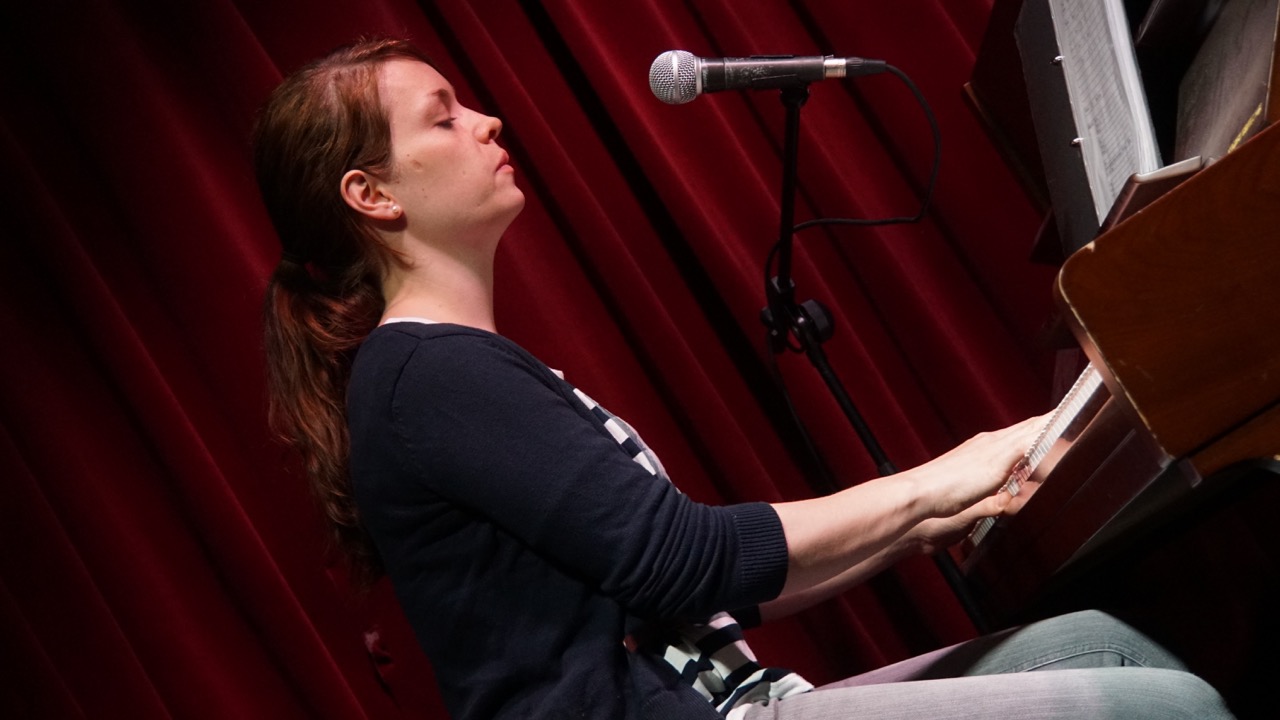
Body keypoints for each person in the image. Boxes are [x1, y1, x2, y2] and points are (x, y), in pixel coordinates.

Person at [255, 38, 1234, 720]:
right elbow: (688, 559)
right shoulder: (424, 376)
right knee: (1162, 708)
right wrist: (943, 476)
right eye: (444, 119)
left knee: (1106, 645)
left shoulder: (453, 370)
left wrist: (926, 520)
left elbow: (691, 598)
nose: (486, 119)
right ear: (371, 195)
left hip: (741, 700)